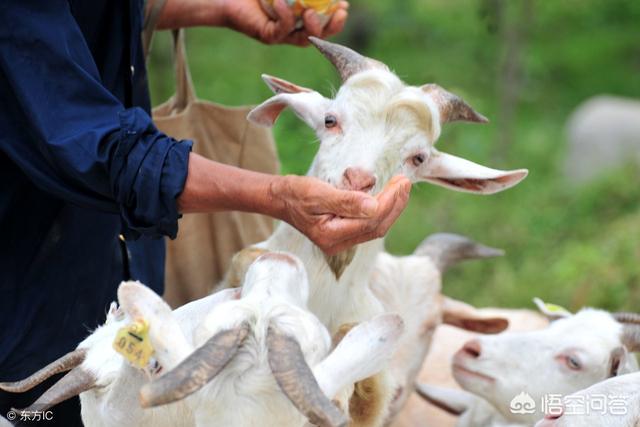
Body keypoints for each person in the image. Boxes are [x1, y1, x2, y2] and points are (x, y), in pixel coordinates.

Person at [0, 0, 410, 424]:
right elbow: (95, 144)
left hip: (119, 289)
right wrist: (276, 195)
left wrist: (221, 9)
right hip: (25, 301)